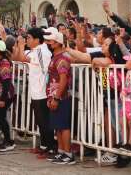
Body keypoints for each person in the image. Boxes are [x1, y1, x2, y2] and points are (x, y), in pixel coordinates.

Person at [12, 27, 55, 157]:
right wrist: (20, 46)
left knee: (45, 121)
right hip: (35, 90)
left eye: (29, 38)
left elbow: (47, 71)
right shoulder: (34, 51)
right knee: (40, 121)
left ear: (37, 39)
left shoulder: (43, 52)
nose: (27, 40)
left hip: (42, 91)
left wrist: (20, 45)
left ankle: (50, 148)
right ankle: (43, 145)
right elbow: (19, 59)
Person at [44, 28, 75, 165]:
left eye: (50, 41)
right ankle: (61, 151)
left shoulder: (62, 59)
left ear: (57, 42)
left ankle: (68, 153)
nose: (48, 43)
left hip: (61, 97)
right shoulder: (56, 57)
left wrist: (56, 97)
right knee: (58, 126)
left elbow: (63, 80)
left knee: (63, 126)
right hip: (54, 96)